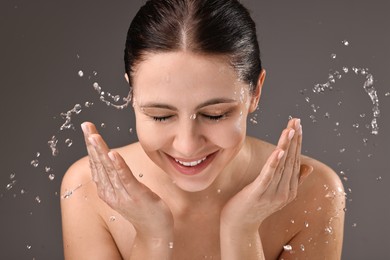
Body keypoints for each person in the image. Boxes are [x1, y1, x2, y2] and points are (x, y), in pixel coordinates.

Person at [60, 0, 345, 259]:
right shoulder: (90, 189)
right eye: (160, 116)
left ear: (255, 92)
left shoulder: (312, 191)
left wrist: (242, 229)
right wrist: (152, 234)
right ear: (132, 95)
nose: (187, 145)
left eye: (215, 114)